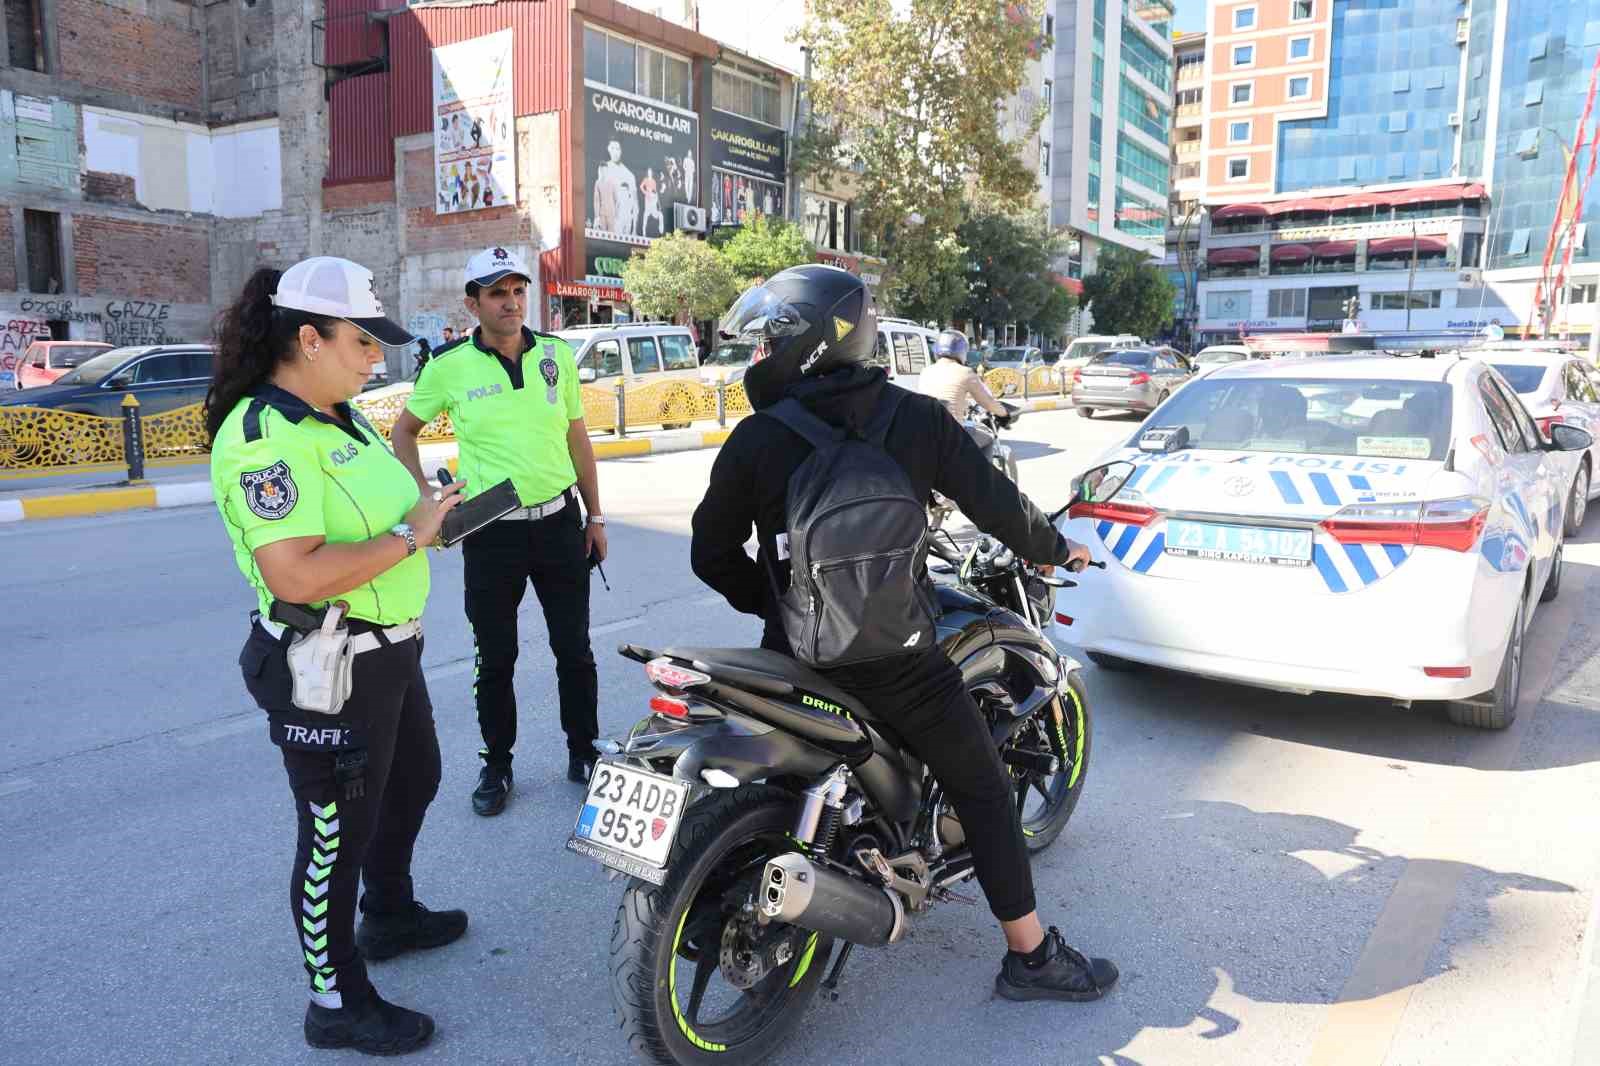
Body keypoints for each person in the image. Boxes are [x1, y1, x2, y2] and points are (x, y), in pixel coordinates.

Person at [690, 265, 1119, 1003]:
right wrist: (1057, 548)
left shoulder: (759, 437)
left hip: (790, 654)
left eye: (770, 341)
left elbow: (711, 554)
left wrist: (782, 601)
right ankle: (1031, 956)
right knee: (982, 785)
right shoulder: (916, 420)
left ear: (810, 345)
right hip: (898, 664)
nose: (760, 356)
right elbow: (1000, 509)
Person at [206, 256, 470, 1055]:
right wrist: (409, 533)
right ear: (310, 338)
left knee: (415, 779)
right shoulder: (264, 435)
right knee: (332, 833)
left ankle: (387, 910)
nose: (375, 358)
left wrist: (433, 515)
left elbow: (395, 518)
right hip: (328, 664)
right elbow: (296, 571)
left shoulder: (342, 417)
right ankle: (336, 999)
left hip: (391, 652)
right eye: (363, 341)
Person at [390, 247, 607, 815]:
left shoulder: (556, 354)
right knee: (496, 657)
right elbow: (404, 432)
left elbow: (576, 438)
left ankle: (584, 751)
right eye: (497, 293)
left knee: (574, 650)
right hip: (491, 532)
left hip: (560, 523)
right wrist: (424, 502)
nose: (511, 303)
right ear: (473, 303)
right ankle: (497, 764)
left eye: (517, 290)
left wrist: (596, 514)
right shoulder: (447, 367)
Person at [918, 328, 1010, 436]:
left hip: (924, 432)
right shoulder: (965, 372)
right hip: (950, 434)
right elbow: (987, 401)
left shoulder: (926, 371)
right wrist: (1005, 414)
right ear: (962, 351)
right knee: (986, 439)